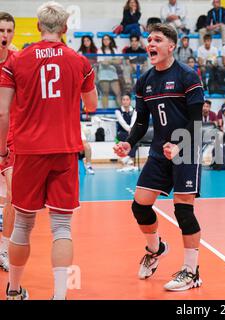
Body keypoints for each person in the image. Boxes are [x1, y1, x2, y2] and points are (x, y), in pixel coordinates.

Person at [0, 1, 98, 300]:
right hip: (65, 151)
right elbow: (91, 105)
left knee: (24, 221)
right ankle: (58, 296)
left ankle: (14, 290)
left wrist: (4, 151)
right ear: (65, 28)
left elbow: (3, 113)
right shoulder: (79, 62)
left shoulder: (17, 61)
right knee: (61, 226)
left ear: (38, 26)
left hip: (28, 151)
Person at [113, 23, 204, 291]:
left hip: (185, 148)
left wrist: (178, 145)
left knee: (183, 210)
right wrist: (128, 143)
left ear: (171, 46)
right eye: (149, 40)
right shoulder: (145, 81)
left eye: (157, 40)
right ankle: (156, 249)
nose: (150, 44)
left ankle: (191, 272)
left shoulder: (188, 76)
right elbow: (141, 122)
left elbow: (197, 120)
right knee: (139, 205)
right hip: (158, 152)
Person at [0, 11, 15, 273]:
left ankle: (3, 249)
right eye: (1, 30)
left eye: (8, 30)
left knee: (15, 195)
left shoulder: (18, 60)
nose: (5, 35)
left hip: (11, 138)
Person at [98, 34, 122, 108]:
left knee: (118, 93)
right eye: (104, 39)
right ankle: (104, 113)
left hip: (113, 73)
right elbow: (103, 63)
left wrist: (109, 61)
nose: (105, 41)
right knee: (105, 93)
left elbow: (119, 61)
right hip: (103, 74)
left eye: (107, 39)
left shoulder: (114, 50)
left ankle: (123, 111)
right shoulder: (100, 50)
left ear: (110, 40)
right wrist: (113, 60)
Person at [115, 93, 137, 168]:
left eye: (127, 99)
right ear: (121, 101)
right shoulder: (118, 111)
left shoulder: (134, 110)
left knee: (134, 137)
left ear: (130, 101)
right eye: (123, 100)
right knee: (127, 136)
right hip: (121, 133)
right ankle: (129, 159)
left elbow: (133, 121)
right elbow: (122, 123)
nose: (125, 101)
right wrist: (129, 130)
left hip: (131, 131)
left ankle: (129, 158)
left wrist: (131, 129)